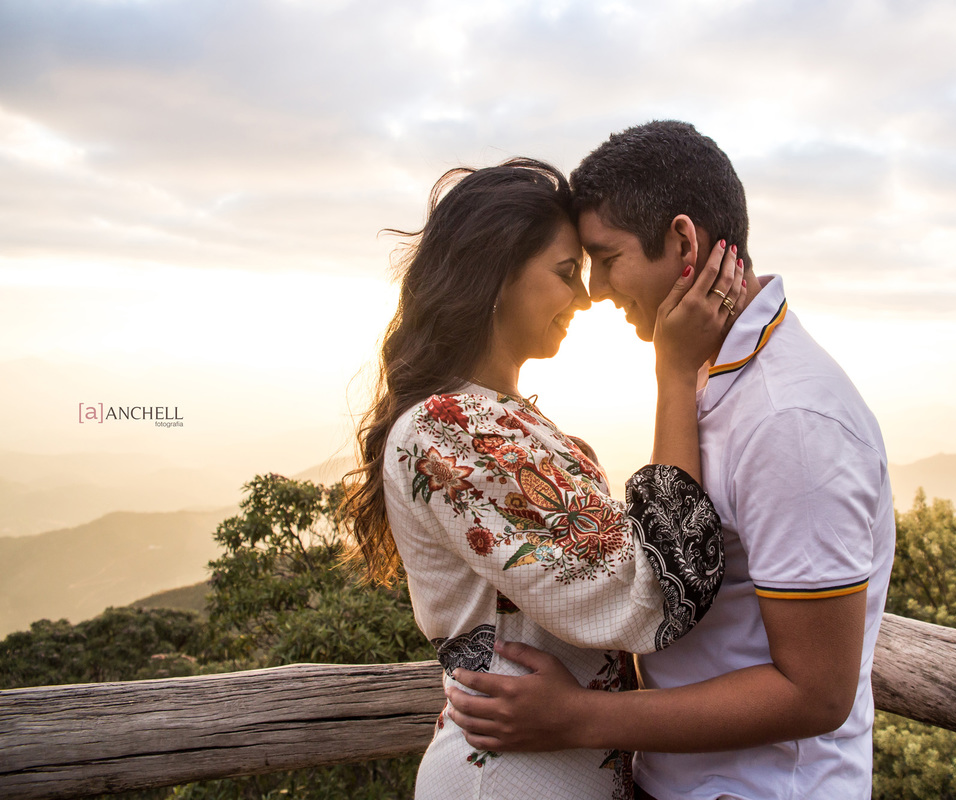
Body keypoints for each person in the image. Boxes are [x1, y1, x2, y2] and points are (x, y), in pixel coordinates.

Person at [447, 122, 897, 800]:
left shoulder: (792, 421)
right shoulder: (710, 380)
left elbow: (816, 694)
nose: (595, 290)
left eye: (606, 256)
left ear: (683, 243)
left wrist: (578, 717)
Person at [339, 157, 748, 800]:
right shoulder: (450, 428)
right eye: (566, 275)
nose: (585, 299)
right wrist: (675, 372)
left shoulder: (502, 424)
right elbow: (655, 590)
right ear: (497, 276)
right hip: (506, 780)